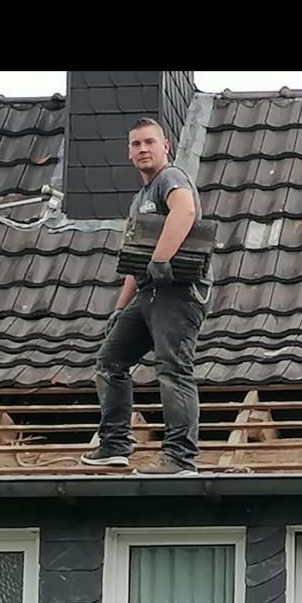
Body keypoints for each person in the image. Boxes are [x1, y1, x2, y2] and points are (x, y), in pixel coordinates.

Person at [81, 117, 213, 476]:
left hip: (177, 293)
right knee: (110, 361)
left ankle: (180, 458)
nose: (143, 149)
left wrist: (162, 258)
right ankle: (114, 445)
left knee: (172, 369)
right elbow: (133, 259)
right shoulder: (140, 199)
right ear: (129, 153)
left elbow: (184, 210)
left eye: (149, 142)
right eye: (136, 144)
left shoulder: (171, 179)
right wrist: (120, 307)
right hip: (148, 292)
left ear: (165, 146)